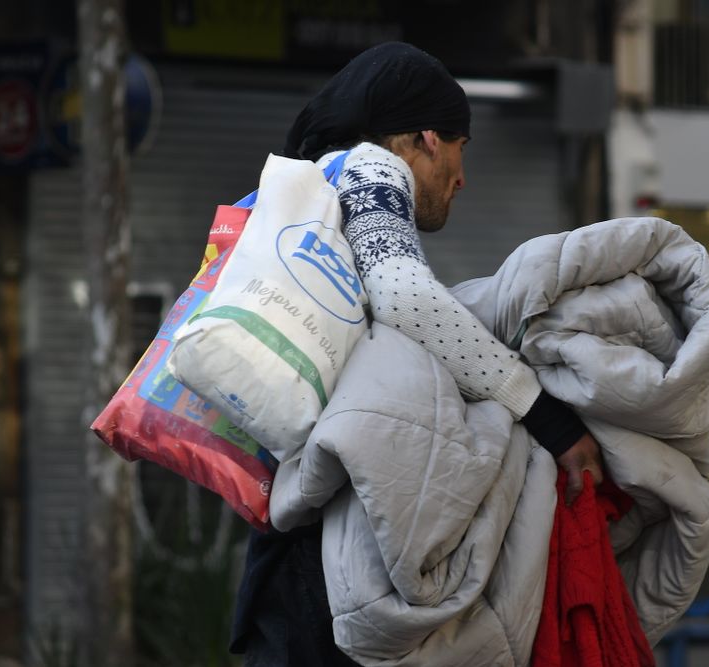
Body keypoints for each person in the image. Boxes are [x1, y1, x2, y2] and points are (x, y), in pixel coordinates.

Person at [230, 42, 605, 666]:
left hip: (293, 540)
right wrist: (544, 414)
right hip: (320, 560)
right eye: (460, 151)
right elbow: (402, 293)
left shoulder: (316, 190)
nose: (462, 178)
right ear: (425, 139)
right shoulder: (371, 169)